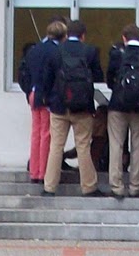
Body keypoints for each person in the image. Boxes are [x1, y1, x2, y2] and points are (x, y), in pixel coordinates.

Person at [36, 19, 104, 196]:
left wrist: (48, 100)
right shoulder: (90, 51)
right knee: (83, 146)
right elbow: (98, 75)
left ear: (66, 34)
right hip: (83, 107)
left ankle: (49, 187)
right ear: (83, 36)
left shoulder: (56, 51)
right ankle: (88, 187)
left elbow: (47, 79)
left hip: (59, 107)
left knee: (56, 146)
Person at [106, 24, 139, 198]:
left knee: (116, 145)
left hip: (117, 106)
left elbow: (109, 80)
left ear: (124, 37)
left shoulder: (117, 54)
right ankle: (135, 187)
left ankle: (116, 187)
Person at [19, 21, 61, 184]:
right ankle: (43, 172)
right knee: (46, 133)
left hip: (33, 93)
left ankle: (34, 171)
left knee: (36, 133)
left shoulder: (34, 49)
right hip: (46, 95)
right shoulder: (56, 51)